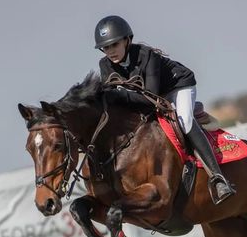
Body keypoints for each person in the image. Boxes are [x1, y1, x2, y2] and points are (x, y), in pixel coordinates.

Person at [94, 15, 235, 204]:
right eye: (106, 47)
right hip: (150, 95)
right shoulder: (105, 65)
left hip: (178, 86)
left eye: (114, 44)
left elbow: (151, 97)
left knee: (184, 120)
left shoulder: (146, 56)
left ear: (127, 40)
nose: (110, 51)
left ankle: (218, 178)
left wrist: (120, 95)